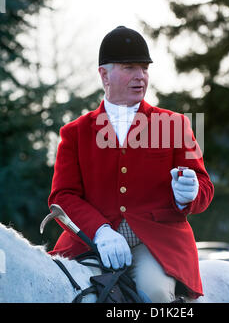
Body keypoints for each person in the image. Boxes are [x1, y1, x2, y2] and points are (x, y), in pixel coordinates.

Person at [48, 26, 214, 303]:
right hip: (90, 242)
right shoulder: (75, 133)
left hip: (154, 243)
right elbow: (62, 197)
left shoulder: (174, 125)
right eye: (129, 68)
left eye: (144, 68)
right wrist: (100, 231)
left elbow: (204, 188)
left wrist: (190, 194)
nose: (140, 76)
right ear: (104, 74)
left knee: (157, 294)